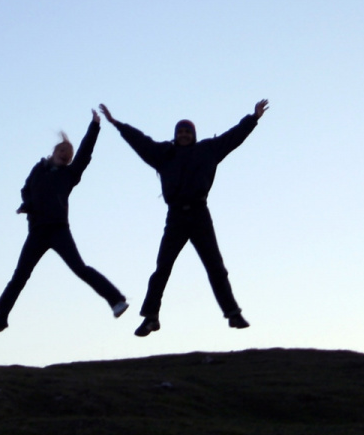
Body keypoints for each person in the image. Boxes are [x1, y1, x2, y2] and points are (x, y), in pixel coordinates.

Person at [100, 98, 268, 336]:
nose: (184, 135)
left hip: (200, 214)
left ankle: (232, 313)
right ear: (175, 135)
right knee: (162, 269)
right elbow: (141, 142)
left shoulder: (208, 150)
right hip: (176, 216)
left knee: (215, 267)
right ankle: (150, 318)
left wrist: (253, 118)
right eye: (180, 131)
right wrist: (117, 124)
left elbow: (233, 137)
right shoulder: (164, 154)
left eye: (188, 131)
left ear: (194, 135)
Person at [0, 111, 128, 339]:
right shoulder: (37, 170)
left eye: (69, 155)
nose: (66, 156)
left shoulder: (70, 175)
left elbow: (85, 153)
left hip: (59, 229)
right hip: (37, 231)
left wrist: (95, 127)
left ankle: (116, 300)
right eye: (62, 151)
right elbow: (27, 190)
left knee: (80, 268)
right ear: (54, 152)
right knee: (19, 277)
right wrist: (26, 205)